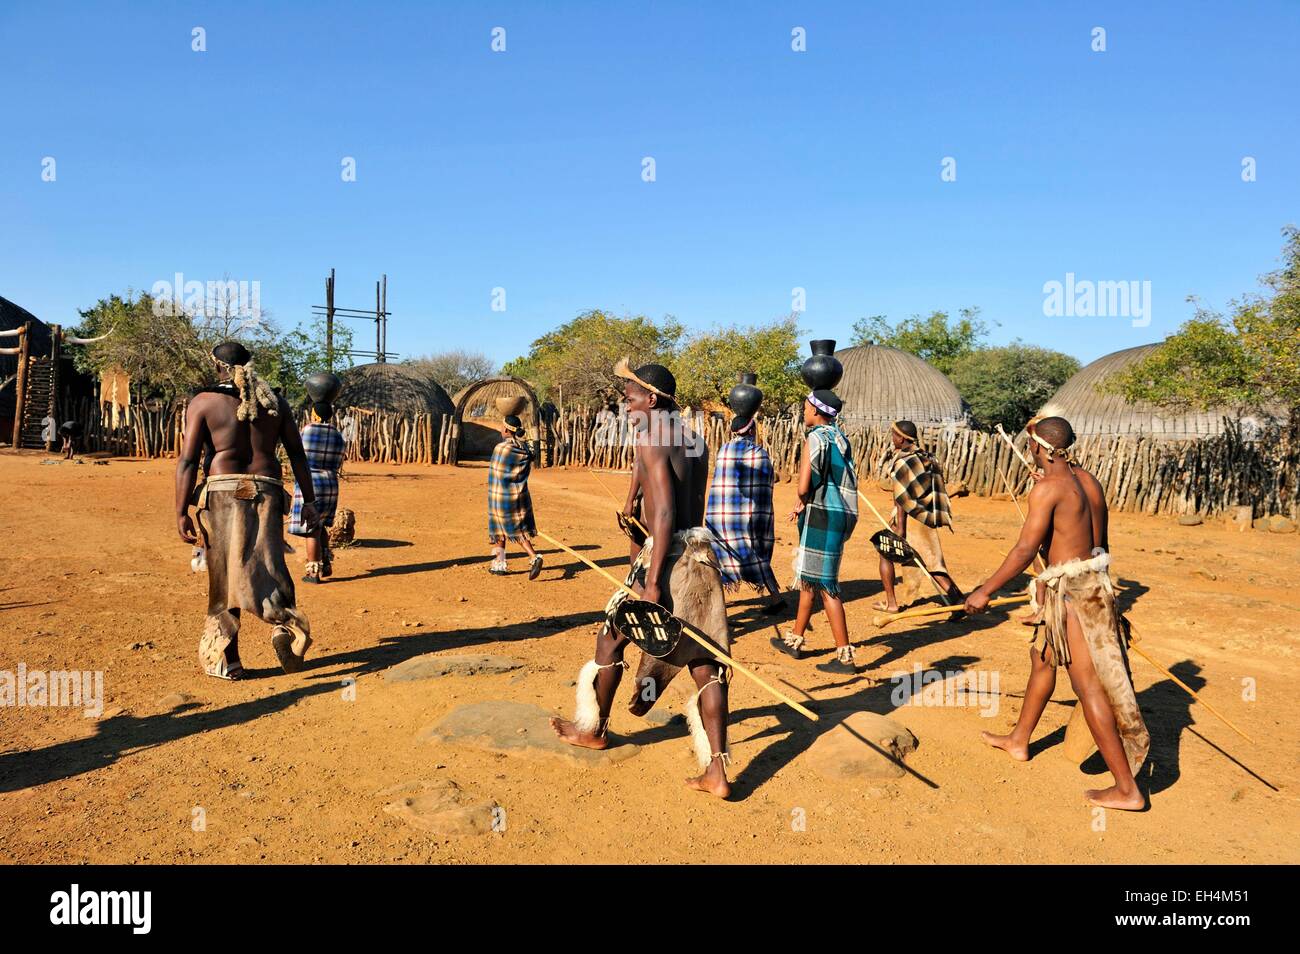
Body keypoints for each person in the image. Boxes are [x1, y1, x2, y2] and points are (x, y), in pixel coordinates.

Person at [551, 359, 732, 798]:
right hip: (700, 556)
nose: (625, 405)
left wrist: (651, 582)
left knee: (610, 638)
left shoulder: (654, 434)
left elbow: (666, 510)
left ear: (651, 399)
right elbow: (667, 490)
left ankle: (593, 728)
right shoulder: (691, 437)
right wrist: (634, 502)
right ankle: (718, 773)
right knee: (705, 662)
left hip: (666, 558)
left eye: (629, 398)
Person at [965, 416, 1149, 811]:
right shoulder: (1087, 481)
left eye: (1030, 445)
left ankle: (1127, 789)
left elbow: (1023, 551)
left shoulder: (1049, 489)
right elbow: (1098, 543)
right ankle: (1019, 739)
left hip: (1073, 599)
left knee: (1087, 687)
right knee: (1043, 659)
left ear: (1039, 448)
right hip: (1093, 586)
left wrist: (984, 591)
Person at [175, 341, 318, 681]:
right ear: (249, 365)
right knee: (270, 566)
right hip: (267, 489)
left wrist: (181, 509)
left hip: (222, 492)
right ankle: (286, 629)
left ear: (216, 366)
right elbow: (298, 456)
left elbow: (188, 460)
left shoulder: (204, 402)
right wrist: (309, 502)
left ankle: (229, 660)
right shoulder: (275, 404)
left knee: (226, 577)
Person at [772, 389, 859, 675]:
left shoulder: (815, 438)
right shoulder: (840, 438)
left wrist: (801, 496)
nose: (804, 410)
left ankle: (845, 657)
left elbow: (803, 485)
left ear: (817, 411)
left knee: (827, 586)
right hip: (837, 514)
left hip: (821, 515)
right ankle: (795, 640)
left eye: (806, 406)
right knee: (810, 577)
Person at [705, 397, 784, 613]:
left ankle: (719, 604)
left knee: (721, 556)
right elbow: (766, 485)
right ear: (752, 430)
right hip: (749, 519)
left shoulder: (724, 450)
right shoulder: (759, 454)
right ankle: (776, 598)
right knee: (756, 555)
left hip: (721, 518)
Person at [875, 420, 963, 613]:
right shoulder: (925, 457)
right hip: (925, 516)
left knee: (885, 553)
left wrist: (900, 527)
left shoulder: (904, 461)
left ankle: (891, 604)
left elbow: (901, 497)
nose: (893, 439)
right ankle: (958, 601)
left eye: (895, 435)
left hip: (910, 518)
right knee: (932, 564)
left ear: (903, 438)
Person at [290, 393, 345, 584]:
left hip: (310, 483)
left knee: (311, 528)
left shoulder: (307, 430)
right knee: (321, 526)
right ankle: (326, 562)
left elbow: (297, 456)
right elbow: (338, 462)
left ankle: (314, 572)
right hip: (330, 482)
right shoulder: (337, 434)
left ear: (314, 414)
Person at [487, 415, 543, 579]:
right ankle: (499, 563)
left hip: (500, 495)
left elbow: (497, 471)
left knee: (509, 529)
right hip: (518, 495)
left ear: (505, 429)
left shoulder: (501, 448)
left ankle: (534, 556)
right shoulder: (524, 449)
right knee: (504, 528)